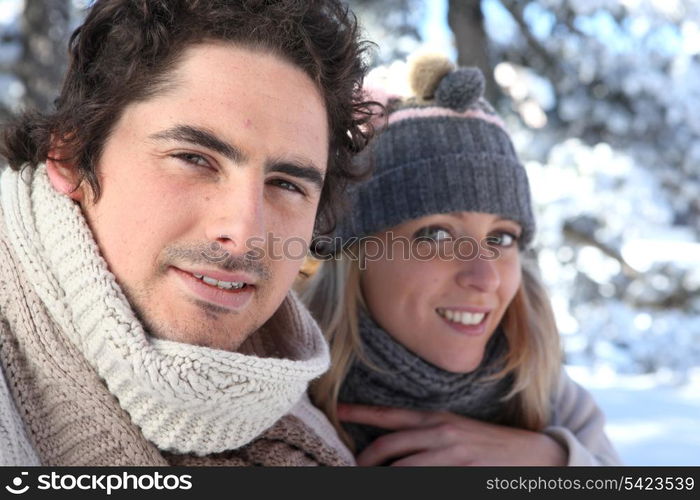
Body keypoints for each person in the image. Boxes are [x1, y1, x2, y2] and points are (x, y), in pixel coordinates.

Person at [0, 0, 375, 466]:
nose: (244, 234)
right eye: (194, 159)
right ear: (72, 158)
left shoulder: (316, 428)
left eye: (285, 184)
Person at [301, 54, 621, 466]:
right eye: (437, 234)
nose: (485, 277)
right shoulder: (281, 395)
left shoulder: (544, 387)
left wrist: (548, 461)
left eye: (502, 237)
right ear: (357, 252)